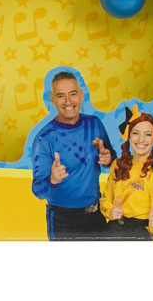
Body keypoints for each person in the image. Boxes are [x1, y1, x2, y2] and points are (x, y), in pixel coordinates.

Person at [31, 71, 114, 240]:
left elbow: (112, 160)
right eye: (61, 96)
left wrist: (109, 159)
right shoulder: (44, 139)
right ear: (52, 99)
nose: (68, 101)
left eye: (73, 94)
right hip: (62, 221)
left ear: (81, 95)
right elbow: (37, 190)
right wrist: (52, 180)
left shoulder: (95, 124)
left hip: (95, 215)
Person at [100, 105, 153, 240]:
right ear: (129, 136)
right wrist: (111, 211)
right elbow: (105, 201)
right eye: (136, 133)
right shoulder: (117, 164)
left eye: (148, 135)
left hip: (143, 233)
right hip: (114, 230)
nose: (141, 140)